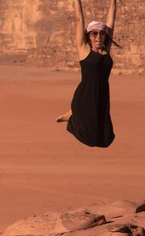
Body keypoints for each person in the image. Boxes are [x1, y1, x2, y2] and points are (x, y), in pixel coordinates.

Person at [56, 0, 117, 148]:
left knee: (102, 135)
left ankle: (73, 113)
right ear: (89, 36)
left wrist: (114, 2)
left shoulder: (106, 49)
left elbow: (111, 22)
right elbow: (78, 20)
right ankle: (72, 115)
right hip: (86, 94)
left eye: (101, 34)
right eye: (94, 34)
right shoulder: (84, 50)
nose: (98, 37)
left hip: (102, 93)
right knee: (88, 134)